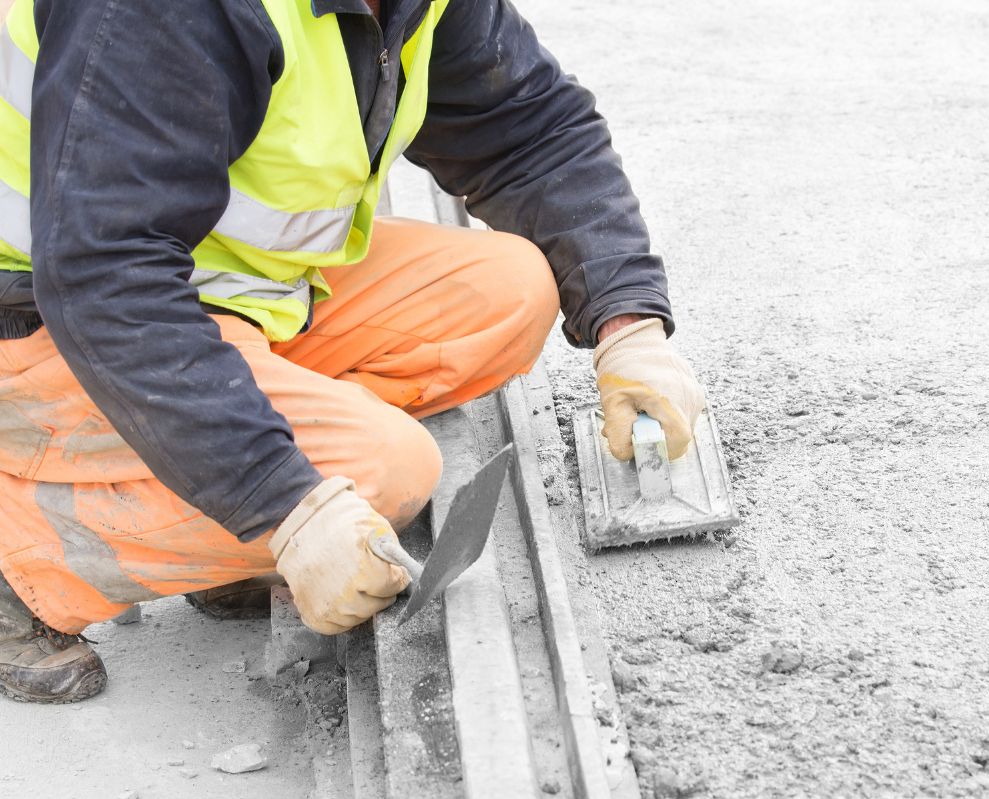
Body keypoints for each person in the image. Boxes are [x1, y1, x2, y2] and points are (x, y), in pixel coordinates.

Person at [0, 0, 704, 704]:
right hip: (49, 310)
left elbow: (529, 131)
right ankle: (20, 562)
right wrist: (283, 502)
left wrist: (628, 324)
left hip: (218, 285)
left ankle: (212, 523)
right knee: (379, 472)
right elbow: (108, 277)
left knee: (505, 293)